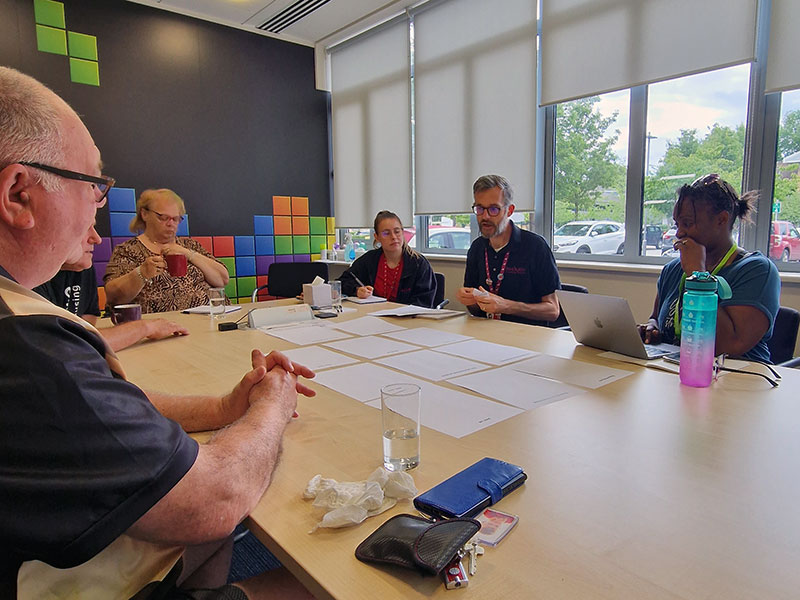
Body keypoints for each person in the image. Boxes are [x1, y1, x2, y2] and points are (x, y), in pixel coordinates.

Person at [0, 67, 316, 599]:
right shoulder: (27, 345)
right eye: (95, 186)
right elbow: (215, 497)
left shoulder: (21, 317)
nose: (97, 212)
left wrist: (220, 408)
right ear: (18, 194)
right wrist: (271, 405)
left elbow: (96, 402)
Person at [638, 174, 780, 363]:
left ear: (721, 220)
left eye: (688, 223)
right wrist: (651, 328)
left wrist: (698, 275)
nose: (679, 232)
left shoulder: (757, 270)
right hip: (676, 374)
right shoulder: (673, 270)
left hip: (737, 381)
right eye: (677, 224)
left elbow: (730, 346)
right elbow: (655, 318)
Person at [33, 223, 190, 352]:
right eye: (83, 228)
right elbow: (58, 345)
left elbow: (87, 325)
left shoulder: (82, 266)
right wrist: (145, 327)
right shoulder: (30, 277)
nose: (97, 238)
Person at [104, 188, 230, 313]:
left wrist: (187, 253)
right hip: (158, 326)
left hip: (208, 319)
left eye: (176, 219)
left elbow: (222, 280)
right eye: (163, 218)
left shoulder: (190, 245)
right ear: (144, 214)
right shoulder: (128, 250)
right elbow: (113, 297)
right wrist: (141, 273)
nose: (171, 224)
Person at [456, 175, 561, 325]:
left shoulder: (535, 246)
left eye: (493, 209)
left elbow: (552, 311)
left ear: (509, 210)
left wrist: (507, 306)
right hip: (487, 333)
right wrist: (470, 301)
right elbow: (476, 311)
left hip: (527, 337)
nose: (485, 216)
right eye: (479, 208)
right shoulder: (477, 248)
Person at [339, 210, 437, 307]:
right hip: (373, 316)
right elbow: (342, 282)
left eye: (397, 231)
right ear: (377, 237)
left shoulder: (418, 264)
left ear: (403, 232)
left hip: (406, 320)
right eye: (386, 233)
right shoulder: (370, 260)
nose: (394, 237)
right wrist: (357, 290)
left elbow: (424, 303)